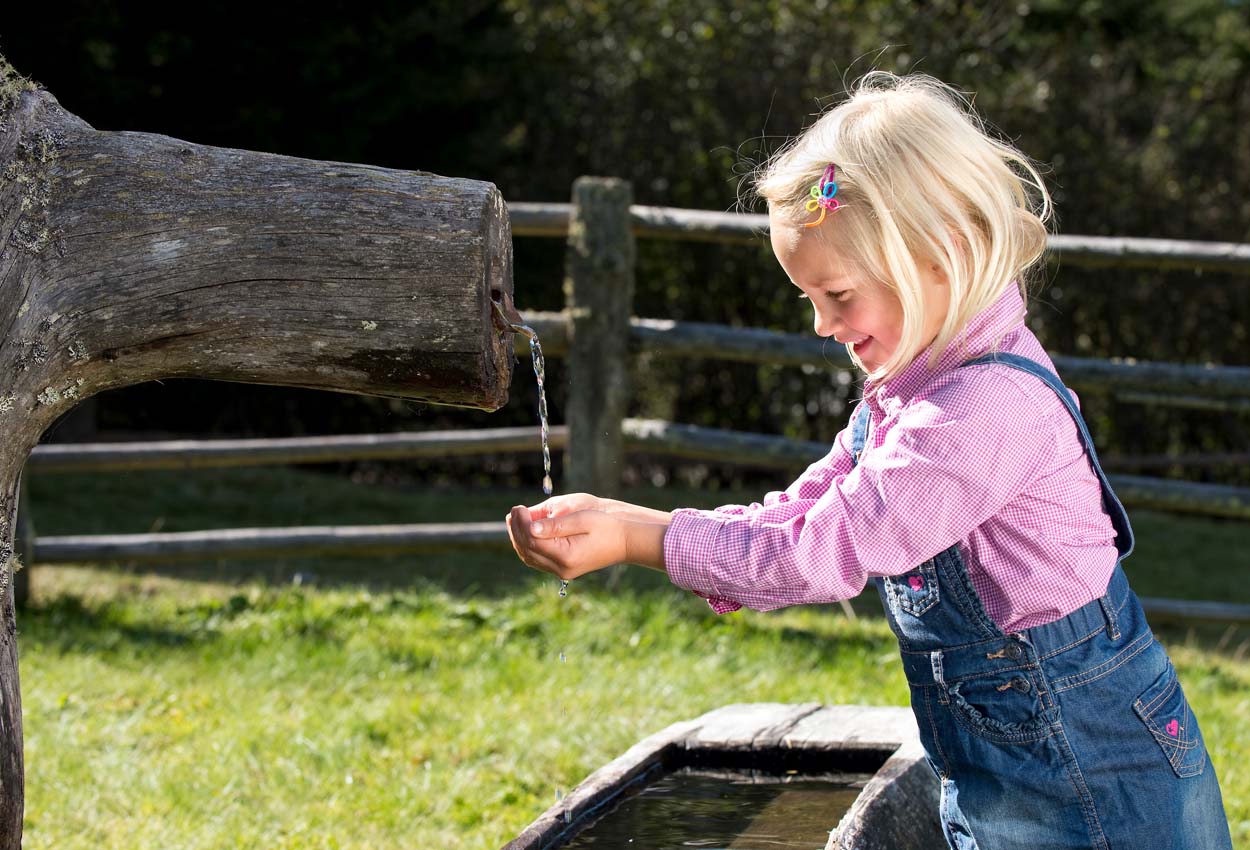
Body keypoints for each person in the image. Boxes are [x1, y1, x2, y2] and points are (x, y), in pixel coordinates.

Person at [504, 71, 1233, 850]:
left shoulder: (976, 415)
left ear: (940, 254)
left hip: (1095, 786)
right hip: (1012, 775)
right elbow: (803, 510)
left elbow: (816, 552)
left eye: (839, 295)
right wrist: (639, 522)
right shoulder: (912, 389)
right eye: (807, 298)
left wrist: (640, 537)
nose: (822, 323)